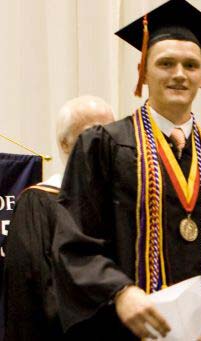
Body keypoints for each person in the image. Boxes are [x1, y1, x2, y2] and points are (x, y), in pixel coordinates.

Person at [52, 1, 201, 340]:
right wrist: (120, 292)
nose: (178, 74)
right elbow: (74, 243)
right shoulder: (102, 147)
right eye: (165, 63)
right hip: (124, 331)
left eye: (190, 65)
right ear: (143, 71)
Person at [3, 95, 114, 340]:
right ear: (64, 143)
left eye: (108, 135)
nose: (101, 144)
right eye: (90, 134)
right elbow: (27, 294)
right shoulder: (38, 203)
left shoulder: (121, 203)